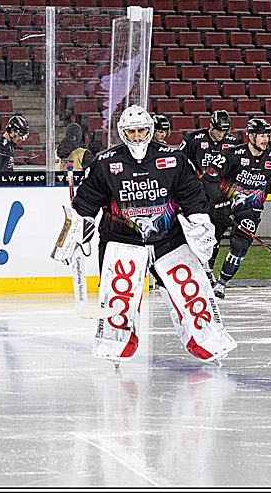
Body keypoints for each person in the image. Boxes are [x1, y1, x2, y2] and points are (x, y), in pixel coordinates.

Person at [53, 105, 236, 365]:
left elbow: (191, 194)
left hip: (168, 240)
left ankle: (209, 341)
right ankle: (116, 344)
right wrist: (73, 233)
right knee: (120, 294)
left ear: (149, 131)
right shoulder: (106, 163)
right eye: (131, 132)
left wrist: (200, 221)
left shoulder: (173, 159)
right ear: (122, 133)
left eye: (141, 131)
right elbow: (85, 204)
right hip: (121, 241)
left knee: (191, 289)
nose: (137, 137)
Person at [203, 118, 271, 298]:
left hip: (250, 210)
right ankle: (207, 272)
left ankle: (222, 283)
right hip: (223, 205)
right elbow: (208, 178)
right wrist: (219, 202)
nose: (265, 139)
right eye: (261, 135)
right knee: (211, 241)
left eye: (267, 135)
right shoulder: (232, 154)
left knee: (240, 244)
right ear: (250, 136)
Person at [178, 110, 241, 180]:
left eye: (225, 131)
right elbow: (179, 159)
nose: (221, 134)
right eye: (219, 131)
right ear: (211, 125)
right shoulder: (193, 139)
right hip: (198, 182)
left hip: (222, 183)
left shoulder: (232, 141)